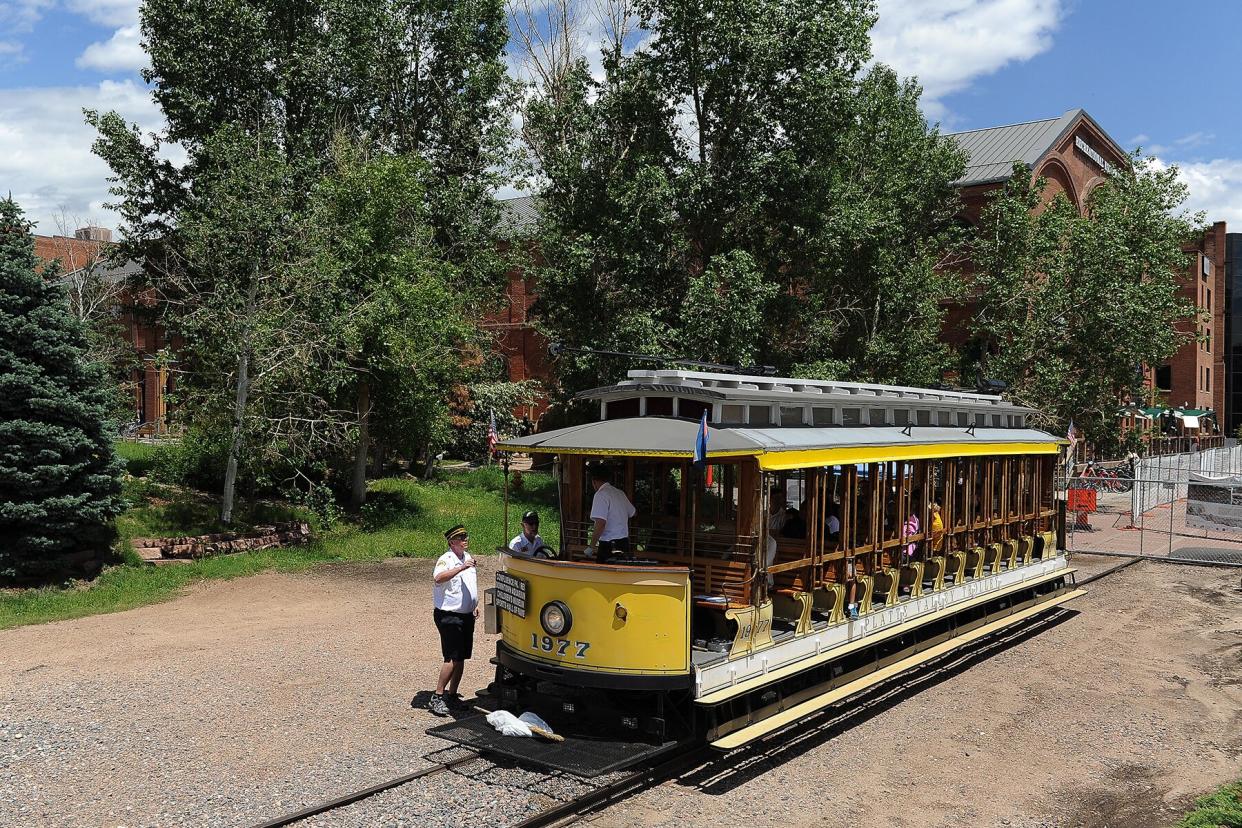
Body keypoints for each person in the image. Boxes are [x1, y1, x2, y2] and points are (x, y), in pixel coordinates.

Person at [426, 524, 479, 717]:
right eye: (461, 537)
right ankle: (437, 696)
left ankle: (452, 695)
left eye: (466, 536)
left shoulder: (468, 557)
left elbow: (469, 584)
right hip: (449, 615)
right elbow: (438, 578)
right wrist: (460, 567)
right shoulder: (446, 559)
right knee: (451, 657)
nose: (465, 539)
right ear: (451, 542)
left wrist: (474, 604)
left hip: (466, 614)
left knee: (462, 656)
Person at [587, 464, 635, 563]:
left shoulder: (601, 495)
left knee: (603, 575)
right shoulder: (620, 493)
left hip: (609, 545)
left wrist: (591, 546)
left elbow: (600, 523)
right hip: (624, 543)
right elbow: (633, 513)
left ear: (593, 481)